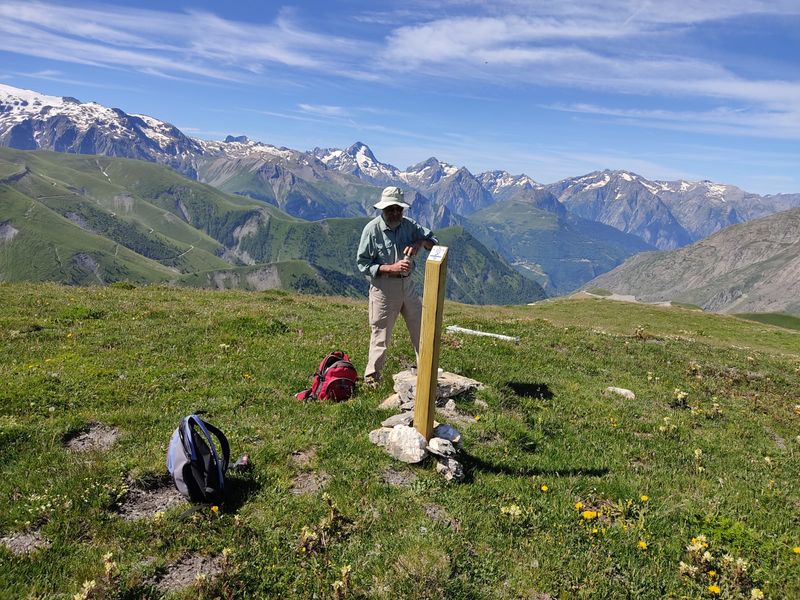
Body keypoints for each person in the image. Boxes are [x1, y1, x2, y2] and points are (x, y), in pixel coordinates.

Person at [356, 186, 438, 387]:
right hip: (383, 289)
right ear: (382, 210)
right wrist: (391, 268)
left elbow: (433, 241)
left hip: (407, 286)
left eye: (398, 209)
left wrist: (420, 243)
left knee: (421, 329)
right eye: (390, 209)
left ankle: (426, 372)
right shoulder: (372, 230)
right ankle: (372, 378)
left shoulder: (409, 226)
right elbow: (363, 264)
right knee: (380, 334)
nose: (394, 213)